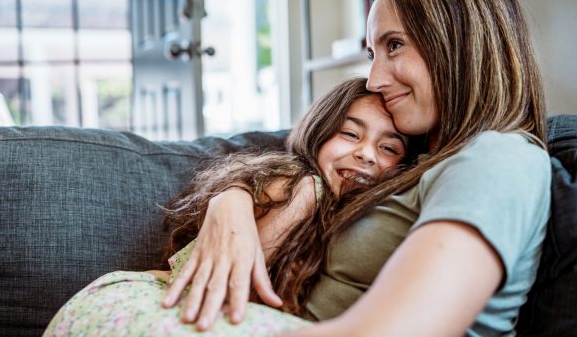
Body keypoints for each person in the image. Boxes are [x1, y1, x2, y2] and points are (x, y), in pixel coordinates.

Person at [162, 0, 551, 336]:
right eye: (372, 53)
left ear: (460, 43)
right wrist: (231, 199)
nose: (374, 79)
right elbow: (305, 155)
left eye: (394, 45)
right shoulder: (423, 158)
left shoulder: (496, 159)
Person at [42, 77, 413, 336]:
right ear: (318, 131)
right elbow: (247, 293)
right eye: (350, 133)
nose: (365, 154)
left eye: (389, 148)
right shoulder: (305, 187)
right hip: (137, 305)